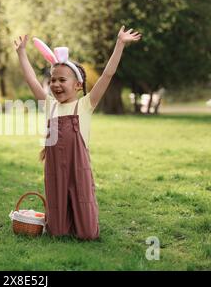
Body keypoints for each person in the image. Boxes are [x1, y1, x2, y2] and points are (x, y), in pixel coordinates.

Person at [14, 26, 141, 240]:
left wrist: (119, 44)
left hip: (77, 166)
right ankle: (62, 224)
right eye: (53, 80)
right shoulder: (49, 105)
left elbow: (108, 74)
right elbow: (31, 80)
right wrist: (21, 53)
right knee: (58, 231)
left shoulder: (85, 105)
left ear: (78, 85)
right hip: (54, 168)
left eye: (62, 80)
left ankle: (82, 225)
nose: (55, 84)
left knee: (87, 233)